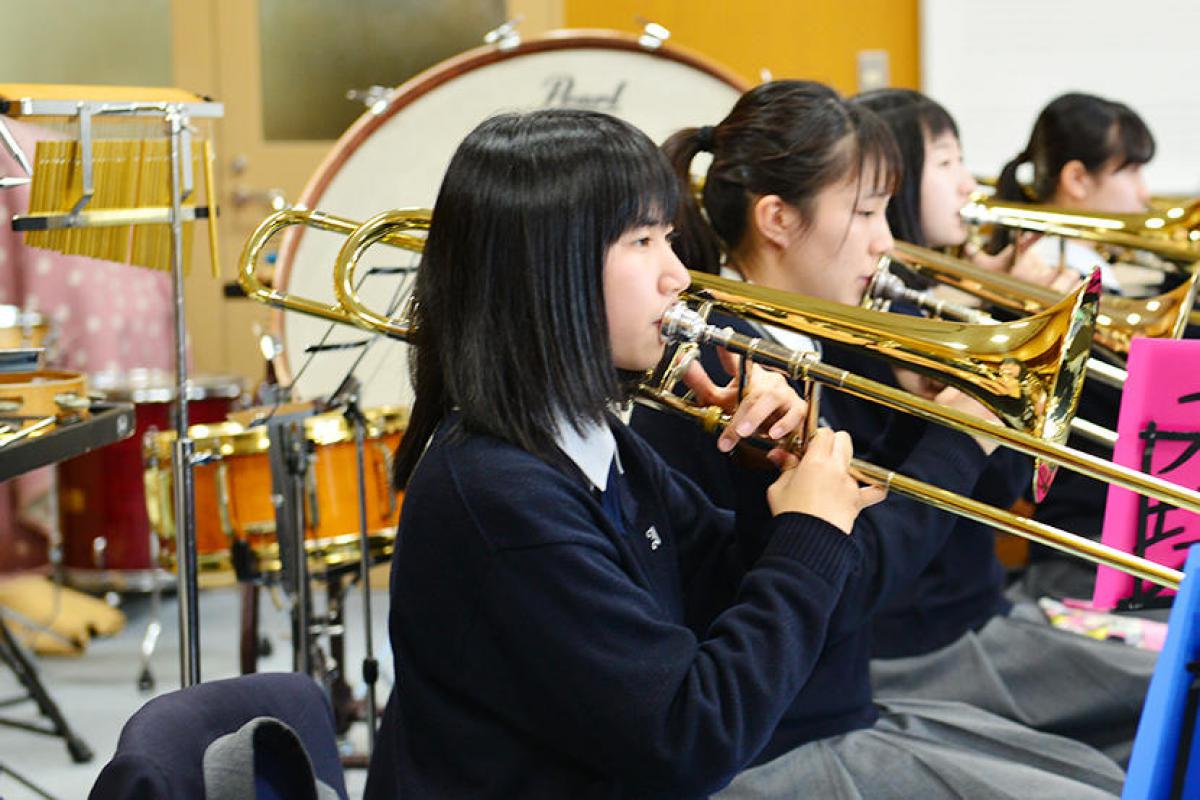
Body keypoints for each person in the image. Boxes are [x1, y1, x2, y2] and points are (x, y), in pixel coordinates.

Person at [362, 107, 887, 799]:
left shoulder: (594, 443)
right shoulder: (499, 494)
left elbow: (716, 595)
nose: (678, 276)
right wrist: (811, 533)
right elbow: (691, 737)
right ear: (548, 270)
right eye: (642, 240)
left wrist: (767, 478)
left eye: (668, 238)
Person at [632, 80, 1125, 797]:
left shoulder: (813, 338)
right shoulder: (724, 372)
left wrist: (952, 420)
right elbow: (846, 587)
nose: (885, 241)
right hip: (787, 742)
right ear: (777, 219)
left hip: (845, 704)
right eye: (864, 212)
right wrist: (959, 436)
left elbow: (980, 502)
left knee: (1098, 773)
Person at [853, 87, 1156, 764]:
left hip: (981, 613)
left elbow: (1008, 484)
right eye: (947, 161)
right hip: (929, 645)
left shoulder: (938, 303)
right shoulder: (869, 335)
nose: (969, 181)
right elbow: (995, 502)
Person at [993, 91, 1156, 295]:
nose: (1144, 193)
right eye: (1132, 172)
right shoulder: (1058, 277)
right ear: (1076, 179)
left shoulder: (1063, 261)